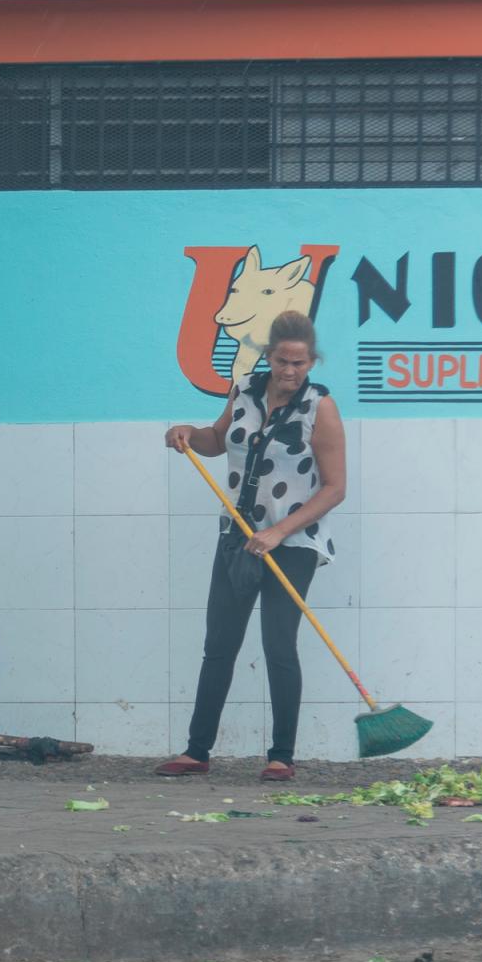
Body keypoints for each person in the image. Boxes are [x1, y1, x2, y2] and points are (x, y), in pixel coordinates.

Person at [156, 311, 347, 783]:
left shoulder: (319, 406)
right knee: (219, 644)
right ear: (269, 356)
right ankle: (196, 751)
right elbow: (219, 441)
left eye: (299, 364)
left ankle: (281, 755)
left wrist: (280, 532)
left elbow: (335, 488)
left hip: (294, 540)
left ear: (311, 362)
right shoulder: (243, 389)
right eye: (282, 361)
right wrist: (188, 434)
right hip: (239, 536)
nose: (289, 372)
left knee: (278, 643)